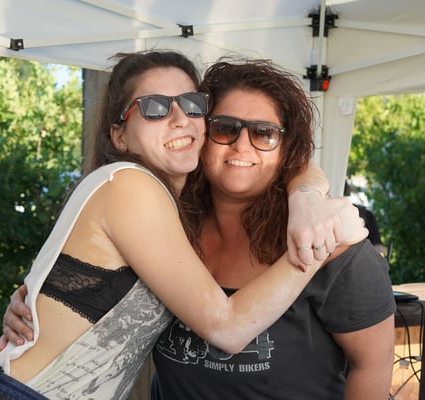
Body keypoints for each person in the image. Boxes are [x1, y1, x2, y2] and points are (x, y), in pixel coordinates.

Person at [0, 51, 366, 400]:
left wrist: (307, 197)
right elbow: (227, 328)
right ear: (119, 135)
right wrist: (320, 243)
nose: (179, 119)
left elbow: (290, 159)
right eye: (155, 107)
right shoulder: (130, 185)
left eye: (192, 104)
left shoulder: (173, 207)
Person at [148, 59, 396, 399]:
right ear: (202, 135)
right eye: (225, 128)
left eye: (264, 133)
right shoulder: (169, 224)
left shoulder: (331, 239)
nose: (242, 145)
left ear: (286, 150)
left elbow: (373, 365)